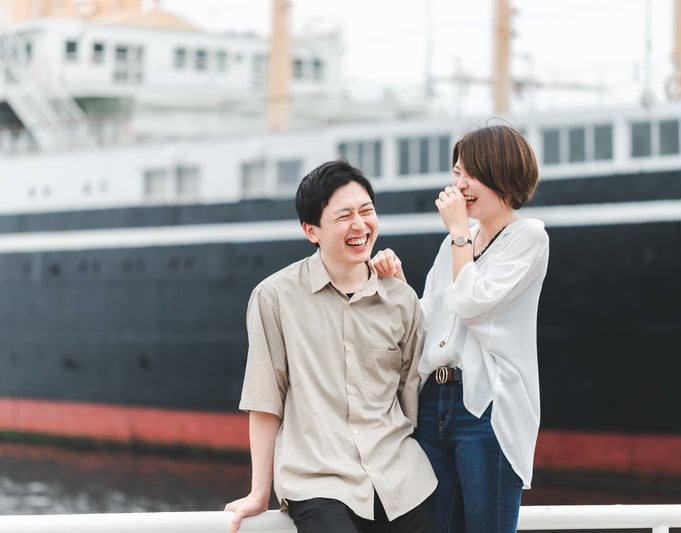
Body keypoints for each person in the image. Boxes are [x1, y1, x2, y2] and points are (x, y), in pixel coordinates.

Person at [225, 159, 437, 533]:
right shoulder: (274, 297)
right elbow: (264, 397)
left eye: (366, 211)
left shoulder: (402, 299)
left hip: (402, 481)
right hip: (319, 481)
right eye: (344, 216)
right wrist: (260, 491)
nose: (359, 225)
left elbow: (411, 392)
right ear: (312, 231)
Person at [372, 124, 549, 533]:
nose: (459, 184)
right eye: (456, 172)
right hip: (433, 400)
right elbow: (428, 317)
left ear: (502, 174)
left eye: (471, 173)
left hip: (484, 406)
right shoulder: (458, 241)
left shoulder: (528, 237)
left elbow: (471, 304)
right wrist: (397, 284)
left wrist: (456, 234)